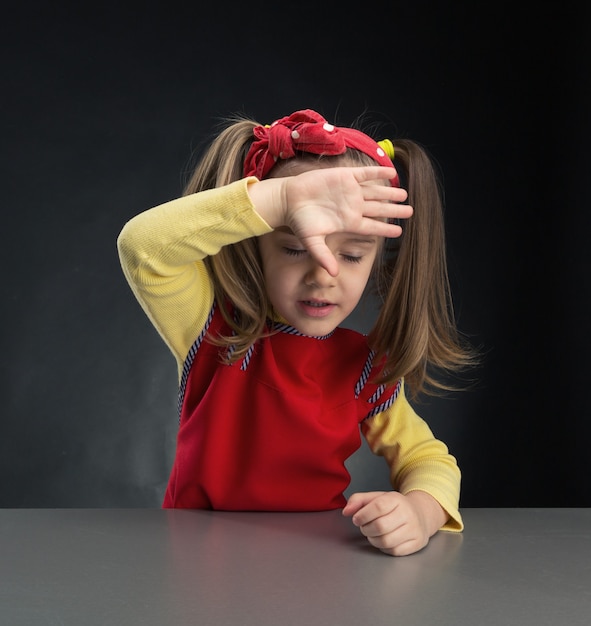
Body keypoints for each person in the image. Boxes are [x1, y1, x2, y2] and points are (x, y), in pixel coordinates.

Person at [117, 108, 475, 557]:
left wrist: (420, 512)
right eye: (293, 248)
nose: (323, 274)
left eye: (351, 255)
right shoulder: (210, 329)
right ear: (257, 243)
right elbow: (142, 247)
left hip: (319, 566)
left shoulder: (366, 369)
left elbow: (427, 459)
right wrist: (279, 199)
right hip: (196, 560)